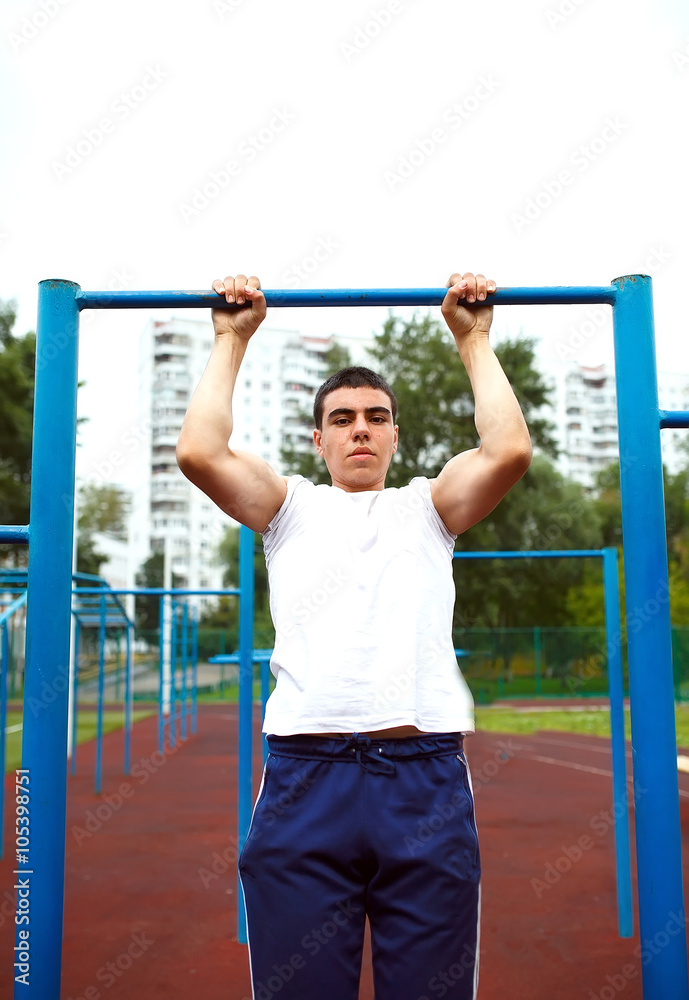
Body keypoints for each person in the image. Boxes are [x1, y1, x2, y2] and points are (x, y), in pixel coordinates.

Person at [176, 271, 532, 1000]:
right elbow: (200, 454)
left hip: (421, 774)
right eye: (342, 419)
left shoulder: (430, 507)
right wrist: (229, 339)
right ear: (318, 438)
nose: (360, 428)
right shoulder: (288, 508)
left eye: (375, 415)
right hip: (308, 778)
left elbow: (507, 452)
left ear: (396, 434)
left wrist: (472, 339)